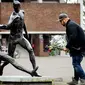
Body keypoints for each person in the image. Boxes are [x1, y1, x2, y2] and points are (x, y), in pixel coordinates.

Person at [0, 0, 41, 77]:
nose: (17, 8)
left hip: (21, 37)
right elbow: (7, 27)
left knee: (30, 50)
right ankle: (1, 67)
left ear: (20, 6)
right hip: (13, 39)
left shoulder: (22, 12)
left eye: (18, 6)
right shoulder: (13, 17)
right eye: (15, 7)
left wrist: (26, 32)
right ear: (13, 7)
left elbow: (23, 23)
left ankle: (34, 70)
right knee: (10, 57)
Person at [58, 13, 85, 85]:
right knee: (76, 64)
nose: (61, 23)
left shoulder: (70, 25)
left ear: (65, 19)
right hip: (77, 48)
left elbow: (73, 37)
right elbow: (73, 38)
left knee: (76, 64)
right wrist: (69, 47)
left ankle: (83, 78)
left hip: (78, 49)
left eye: (61, 21)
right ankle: (75, 80)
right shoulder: (71, 25)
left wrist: (67, 47)